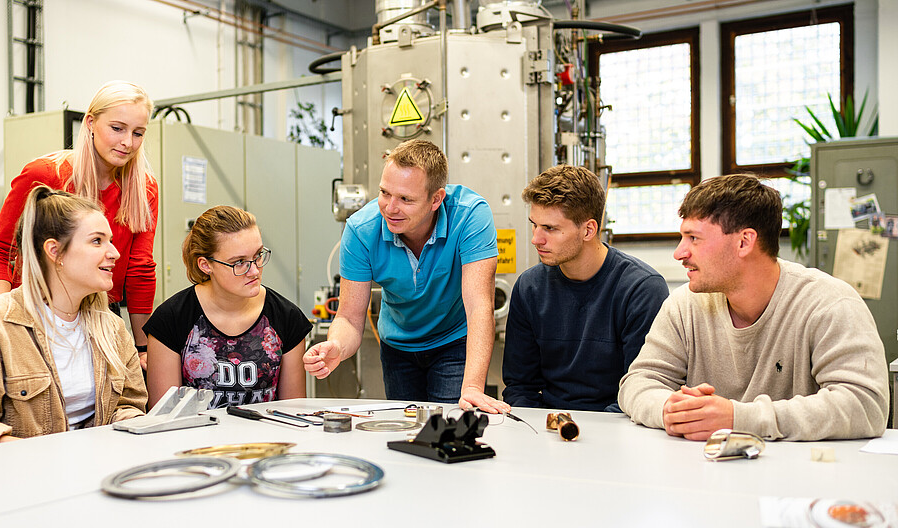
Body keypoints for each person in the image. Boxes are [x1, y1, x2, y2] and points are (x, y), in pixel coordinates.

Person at [618, 174, 888, 441]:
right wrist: (672, 410)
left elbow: (866, 405)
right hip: (706, 473)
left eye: (694, 238)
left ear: (744, 241)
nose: (679, 253)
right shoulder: (685, 304)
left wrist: (739, 419)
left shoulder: (828, 303)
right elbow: (639, 382)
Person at [0, 187, 147, 454]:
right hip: (14, 478)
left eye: (111, 241)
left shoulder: (111, 328)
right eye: (97, 241)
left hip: (91, 471)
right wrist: (42, 456)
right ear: (55, 251)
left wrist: (135, 428)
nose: (114, 252)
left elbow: (128, 405)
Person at [303, 139, 506, 413]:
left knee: (450, 426)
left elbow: (479, 305)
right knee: (408, 430)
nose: (390, 207)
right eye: (385, 193)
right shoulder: (361, 230)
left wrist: (471, 387)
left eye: (405, 199)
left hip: (453, 340)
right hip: (398, 346)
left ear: (436, 199)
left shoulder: (470, 216)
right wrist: (336, 346)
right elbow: (349, 317)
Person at [0, 80, 158, 369]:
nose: (128, 142)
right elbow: (0, 252)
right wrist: (5, 322)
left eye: (138, 133)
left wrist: (142, 347)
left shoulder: (144, 189)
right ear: (90, 122)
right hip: (32, 310)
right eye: (117, 128)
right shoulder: (44, 174)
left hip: (99, 314)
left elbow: (140, 269)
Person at [502, 165, 668, 411]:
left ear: (589, 229)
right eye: (534, 225)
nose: (536, 239)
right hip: (549, 426)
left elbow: (641, 390)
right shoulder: (529, 288)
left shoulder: (641, 290)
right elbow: (520, 387)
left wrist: (588, 435)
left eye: (550, 228)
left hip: (620, 427)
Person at [143, 206, 310, 409]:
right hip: (193, 440)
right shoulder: (171, 320)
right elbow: (163, 419)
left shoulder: (286, 317)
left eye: (258, 255)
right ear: (206, 265)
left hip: (267, 439)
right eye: (239, 262)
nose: (254, 270)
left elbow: (293, 414)